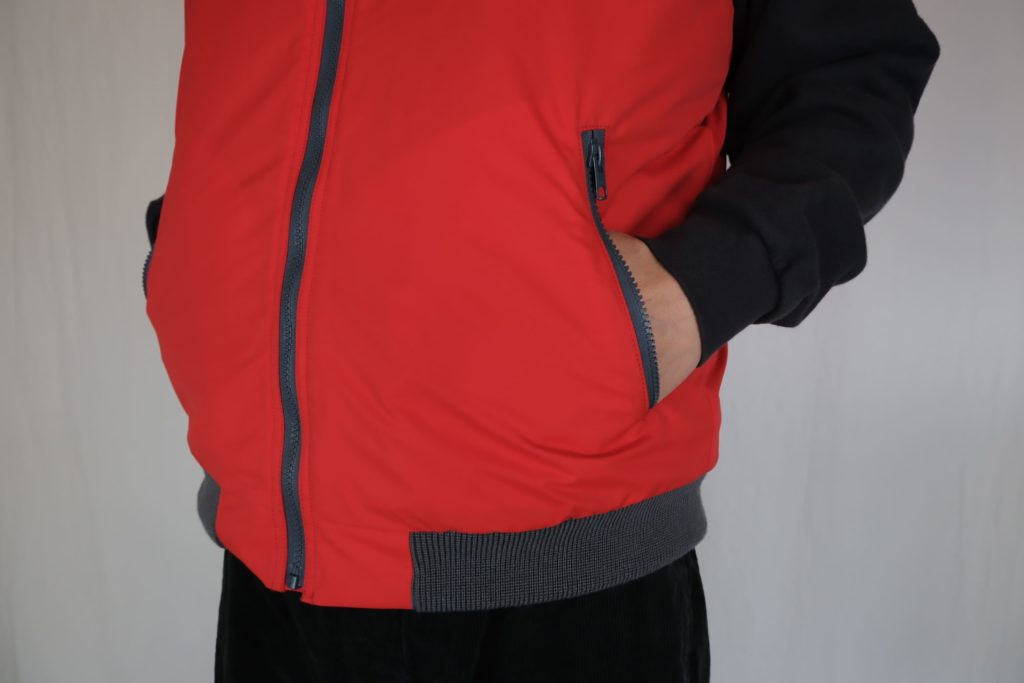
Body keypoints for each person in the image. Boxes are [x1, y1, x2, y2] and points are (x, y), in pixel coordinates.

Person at [141, 0, 940, 680]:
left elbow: (853, 68)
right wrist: (193, 247)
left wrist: (702, 288)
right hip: (271, 561)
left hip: (568, 580)